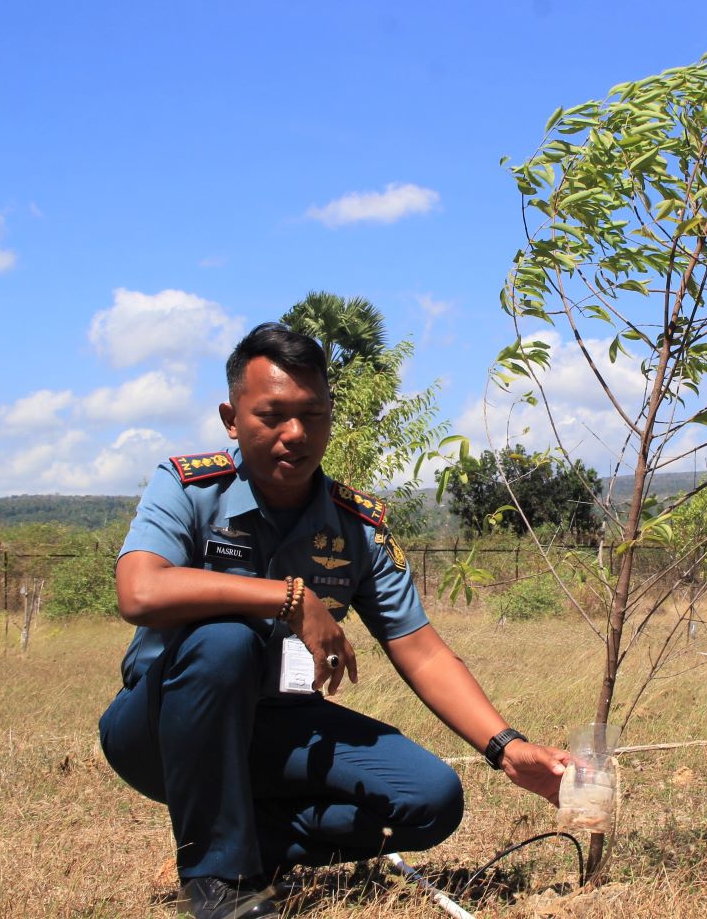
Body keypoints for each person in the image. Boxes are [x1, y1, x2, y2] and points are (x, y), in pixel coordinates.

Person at [98, 323, 568, 919]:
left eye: (312, 415)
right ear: (231, 418)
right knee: (224, 642)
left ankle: (249, 840)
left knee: (431, 798)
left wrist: (507, 748)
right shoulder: (189, 488)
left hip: (279, 724)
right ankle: (221, 882)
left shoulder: (356, 527)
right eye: (272, 416)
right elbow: (139, 591)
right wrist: (289, 598)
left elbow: (420, 649)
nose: (295, 434)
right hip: (161, 727)